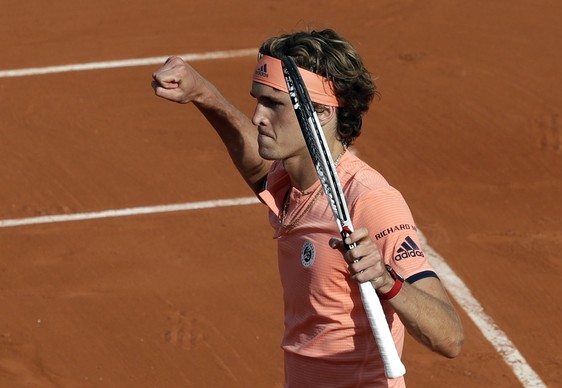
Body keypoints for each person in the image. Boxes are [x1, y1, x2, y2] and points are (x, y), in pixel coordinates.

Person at [152, 28, 464, 388]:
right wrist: (203, 94)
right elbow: (257, 169)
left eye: (275, 104)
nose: (257, 117)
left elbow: (449, 336)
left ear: (323, 111)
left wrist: (385, 280)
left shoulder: (369, 201)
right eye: (258, 100)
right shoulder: (290, 181)